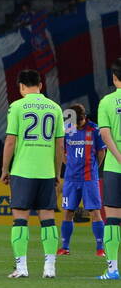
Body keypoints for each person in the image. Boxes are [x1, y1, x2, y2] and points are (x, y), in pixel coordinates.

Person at [1, 70, 64, 278]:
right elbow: (59, 145)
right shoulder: (55, 108)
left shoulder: (17, 107)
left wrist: (4, 168)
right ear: (41, 85)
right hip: (46, 171)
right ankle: (50, 267)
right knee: (47, 219)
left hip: (23, 170)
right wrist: (57, 172)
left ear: (20, 87)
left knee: (20, 219)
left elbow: (10, 141)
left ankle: (22, 268)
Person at [59, 104, 106, 256]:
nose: (74, 125)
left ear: (83, 118)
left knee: (95, 212)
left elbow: (101, 152)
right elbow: (62, 150)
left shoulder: (94, 130)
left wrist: (93, 168)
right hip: (71, 178)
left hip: (89, 179)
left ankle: (100, 248)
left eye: (77, 122)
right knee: (68, 212)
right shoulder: (68, 127)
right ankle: (65, 247)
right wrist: (70, 165)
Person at [96, 59, 121, 280]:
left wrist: (119, 157)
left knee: (113, 219)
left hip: (115, 167)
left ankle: (113, 269)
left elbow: (105, 134)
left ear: (114, 78)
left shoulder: (106, 102)